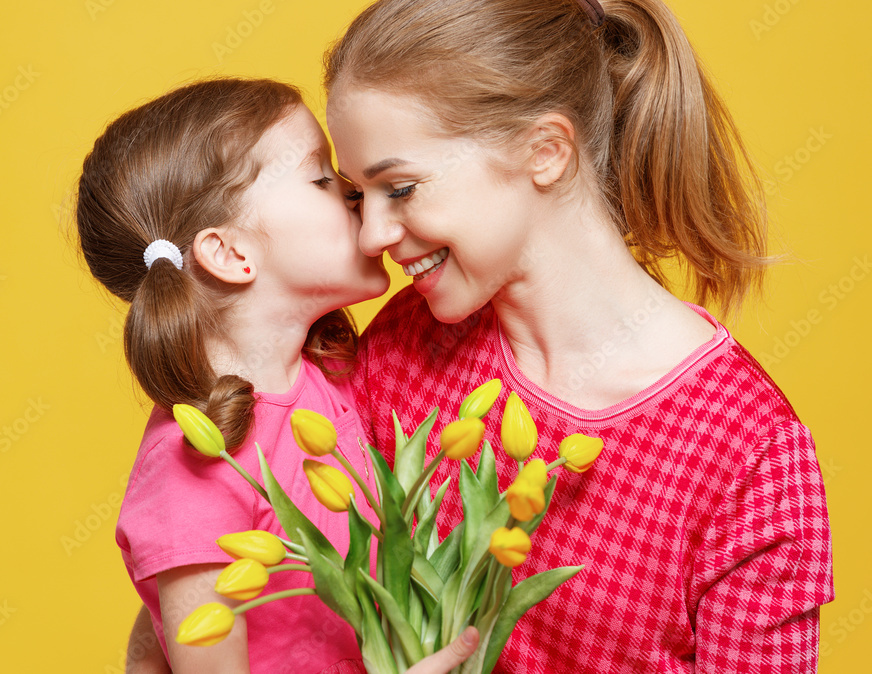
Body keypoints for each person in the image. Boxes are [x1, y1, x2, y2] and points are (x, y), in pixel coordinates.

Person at [323, 0, 834, 672]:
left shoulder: (748, 455)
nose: (372, 237)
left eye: (402, 187)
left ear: (546, 152)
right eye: (359, 195)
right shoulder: (401, 347)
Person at [77, 77, 478, 673]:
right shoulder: (201, 466)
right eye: (321, 178)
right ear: (232, 254)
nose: (354, 192)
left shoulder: (328, 369)